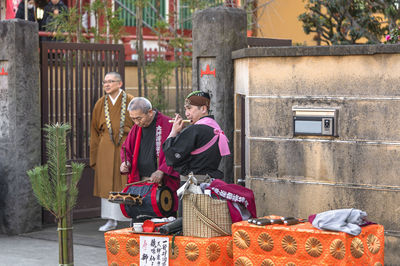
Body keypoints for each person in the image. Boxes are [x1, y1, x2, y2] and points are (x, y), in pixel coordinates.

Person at [120, 97, 180, 217]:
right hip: (141, 182)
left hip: (161, 184)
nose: (136, 123)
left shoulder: (168, 124)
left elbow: (176, 152)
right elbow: (126, 149)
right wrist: (126, 163)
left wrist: (162, 170)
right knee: (140, 220)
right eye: (133, 119)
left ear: (150, 112)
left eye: (139, 118)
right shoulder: (137, 127)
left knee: (162, 223)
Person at [90, 72, 134, 231]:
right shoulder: (100, 104)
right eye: (105, 82)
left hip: (125, 143)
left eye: (111, 81)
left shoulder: (130, 101)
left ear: (120, 83)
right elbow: (94, 131)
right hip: (106, 146)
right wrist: (94, 155)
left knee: (126, 180)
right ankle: (110, 220)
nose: (107, 85)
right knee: (107, 181)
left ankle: (129, 217)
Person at [163, 90, 231, 179]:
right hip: (211, 181)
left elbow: (171, 156)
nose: (186, 113)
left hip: (194, 184)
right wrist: (184, 132)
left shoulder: (195, 130)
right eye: (185, 109)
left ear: (203, 109)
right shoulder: (215, 127)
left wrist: (174, 132)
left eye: (189, 108)